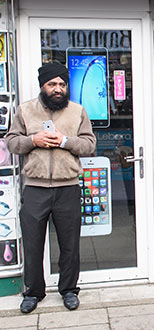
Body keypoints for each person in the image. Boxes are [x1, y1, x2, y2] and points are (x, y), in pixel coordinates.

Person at [6, 62, 96, 314]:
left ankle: (69, 290)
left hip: (68, 187)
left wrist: (65, 141)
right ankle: (33, 292)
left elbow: (89, 145)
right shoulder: (25, 111)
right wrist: (32, 140)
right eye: (52, 84)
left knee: (70, 244)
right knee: (33, 244)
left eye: (62, 84)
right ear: (42, 86)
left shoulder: (77, 111)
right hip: (35, 188)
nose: (58, 89)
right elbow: (11, 142)